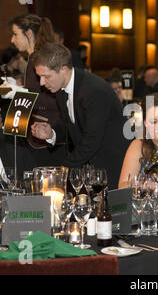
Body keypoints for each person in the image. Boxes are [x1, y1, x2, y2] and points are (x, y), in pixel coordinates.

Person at [30, 43, 129, 190]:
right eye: (40, 77)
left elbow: (91, 140)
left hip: (114, 168)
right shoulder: (61, 87)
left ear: (63, 69)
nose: (42, 83)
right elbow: (70, 123)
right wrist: (51, 133)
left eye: (46, 76)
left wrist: (61, 172)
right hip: (92, 169)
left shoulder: (94, 90)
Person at [9, 13, 66, 165]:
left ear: (28, 33)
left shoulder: (37, 59)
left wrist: (18, 93)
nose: (12, 40)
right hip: (51, 132)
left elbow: (51, 96)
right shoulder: (38, 57)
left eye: (15, 34)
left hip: (45, 131)